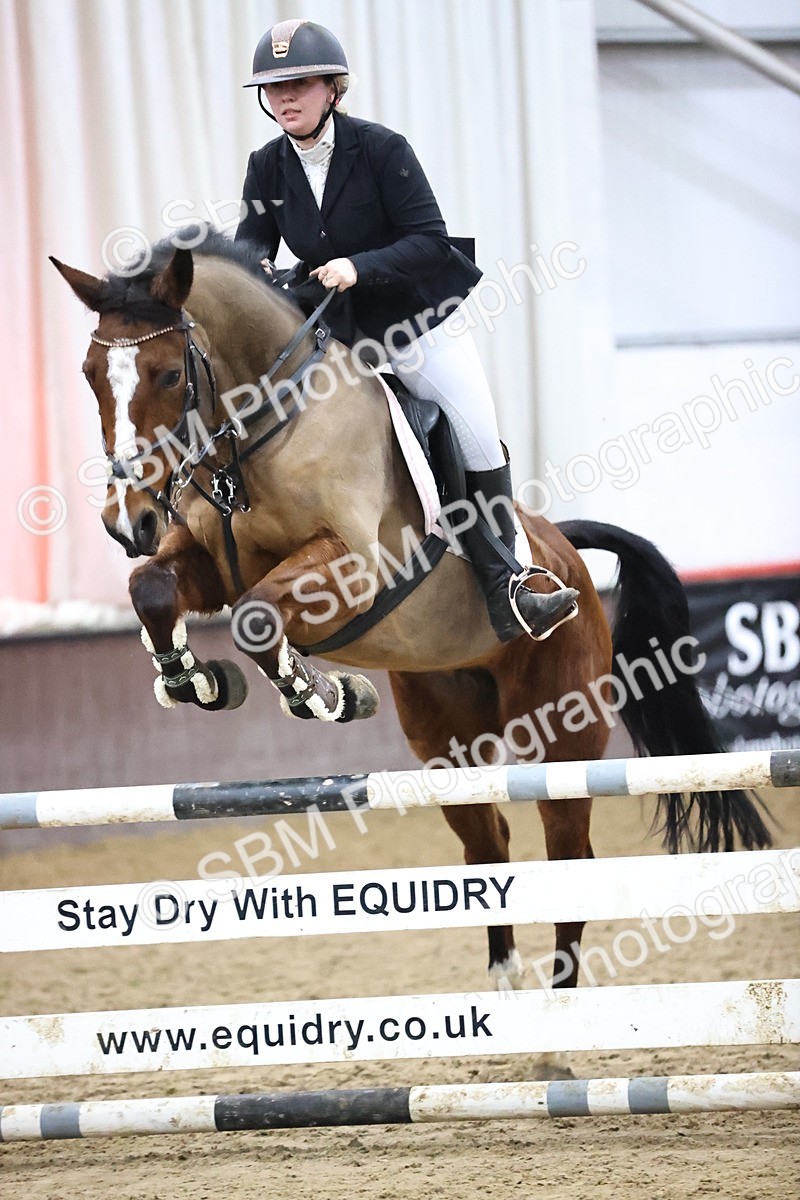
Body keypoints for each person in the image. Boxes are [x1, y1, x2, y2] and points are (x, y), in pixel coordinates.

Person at [235, 18, 578, 642]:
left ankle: (514, 584)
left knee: (476, 436)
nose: (285, 97)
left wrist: (357, 268)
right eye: (274, 86)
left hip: (416, 325)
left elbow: (429, 241)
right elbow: (251, 244)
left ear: (333, 88)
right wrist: (253, 270)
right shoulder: (266, 166)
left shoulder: (383, 150)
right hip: (335, 339)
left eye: (300, 83)